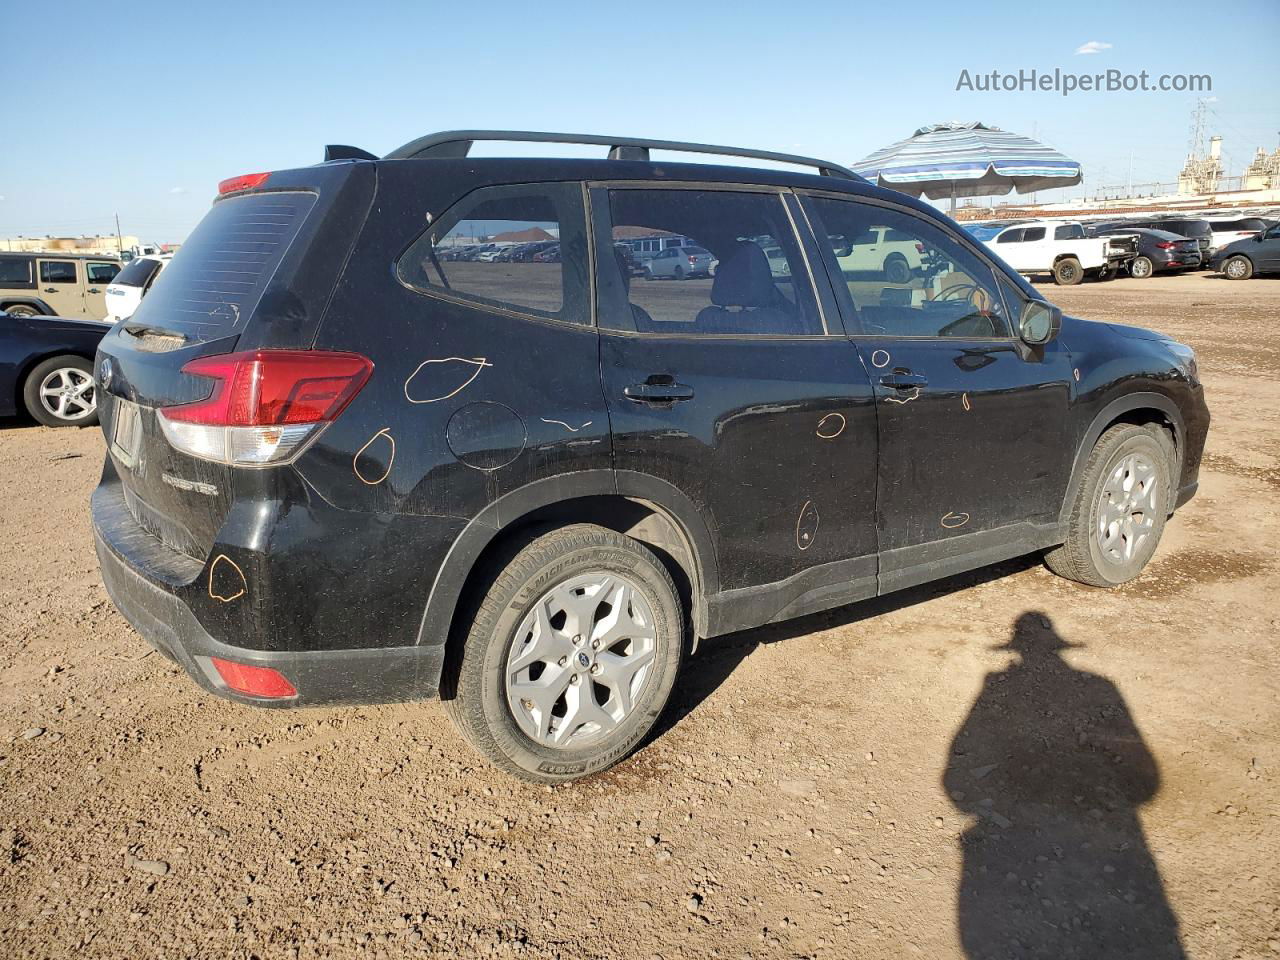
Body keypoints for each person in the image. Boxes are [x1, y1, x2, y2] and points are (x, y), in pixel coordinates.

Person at [945, 612, 1186, 959]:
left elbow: (956, 782)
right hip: (1115, 845)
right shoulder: (1098, 685)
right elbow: (1147, 785)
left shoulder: (997, 684)